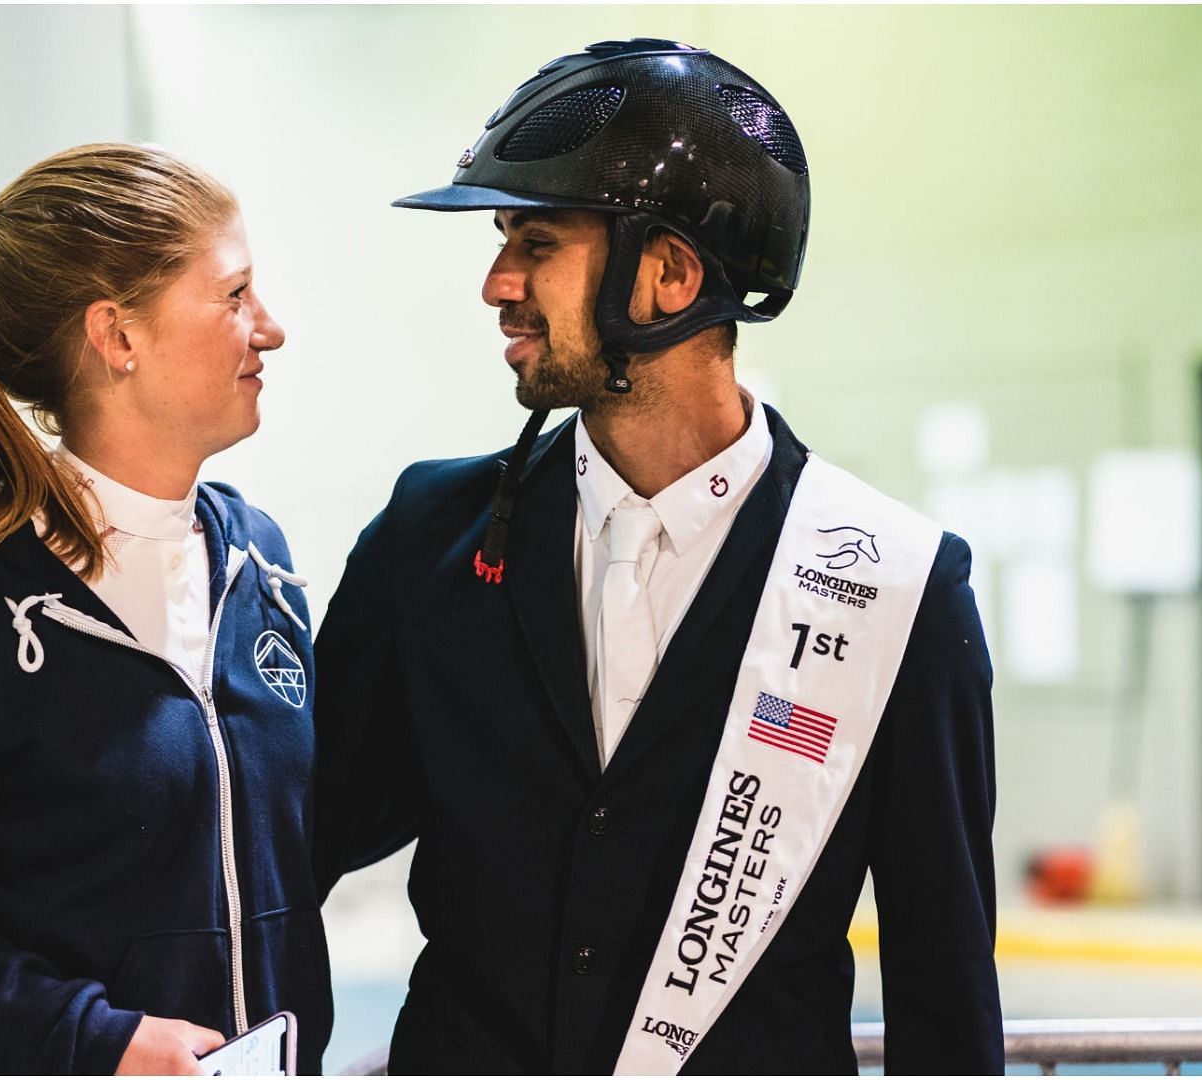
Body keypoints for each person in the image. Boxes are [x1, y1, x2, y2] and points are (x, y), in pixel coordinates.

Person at [314, 40, 1002, 1074]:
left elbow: (943, 979)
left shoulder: (900, 588)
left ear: (671, 274)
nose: (497, 285)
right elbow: (298, 841)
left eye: (536, 244)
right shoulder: (427, 538)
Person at [0, 143, 331, 1074]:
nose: (269, 328)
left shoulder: (259, 561)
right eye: (234, 295)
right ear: (118, 337)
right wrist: (95, 1044)